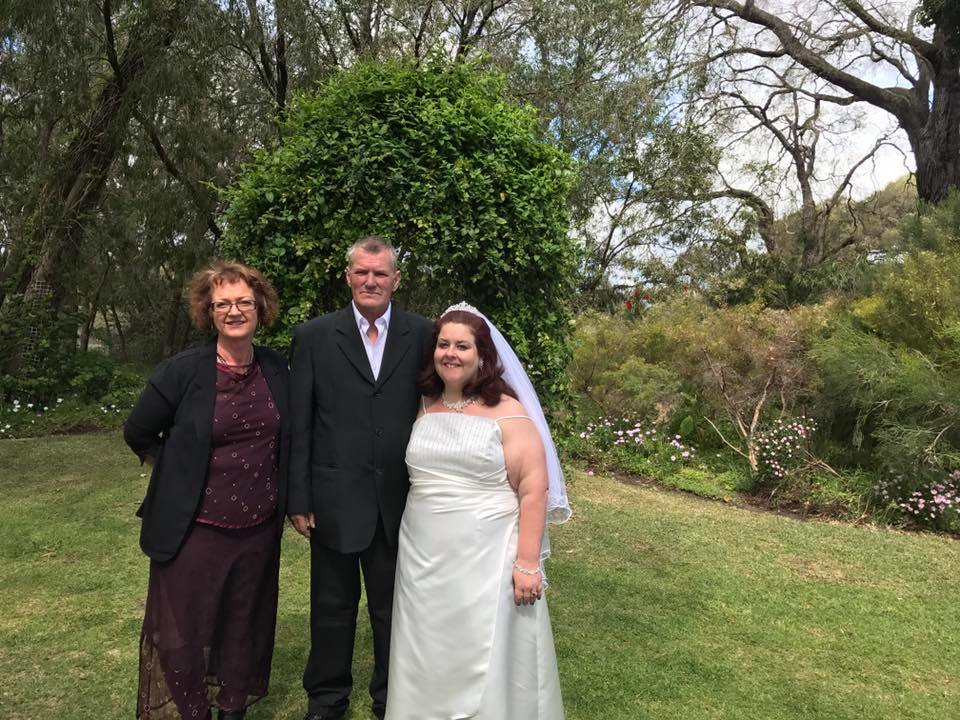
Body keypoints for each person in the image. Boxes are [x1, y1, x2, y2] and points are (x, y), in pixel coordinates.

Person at [384, 302, 571, 720]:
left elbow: (533, 490)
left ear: (483, 354)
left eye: (462, 346)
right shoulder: (423, 404)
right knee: (426, 645)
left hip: (487, 555)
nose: (450, 353)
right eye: (443, 344)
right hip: (421, 557)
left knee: (479, 645)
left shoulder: (508, 412)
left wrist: (527, 563)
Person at [123, 260, 291, 720]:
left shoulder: (276, 368)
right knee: (183, 632)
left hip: (258, 528)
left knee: (243, 625)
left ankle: (232, 709)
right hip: (194, 528)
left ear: (260, 307)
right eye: (223, 304)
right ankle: (193, 710)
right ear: (209, 312)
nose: (234, 311)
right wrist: (179, 468)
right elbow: (138, 431)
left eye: (244, 302)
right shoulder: (182, 371)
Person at [287, 236, 434, 720]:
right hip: (333, 498)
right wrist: (298, 497)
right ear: (348, 276)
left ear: (396, 279)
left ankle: (392, 699)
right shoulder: (313, 336)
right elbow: (300, 423)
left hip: (399, 501)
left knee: (394, 612)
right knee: (332, 609)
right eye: (362, 272)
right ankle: (326, 700)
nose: (371, 281)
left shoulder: (423, 334)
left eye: (381, 273)